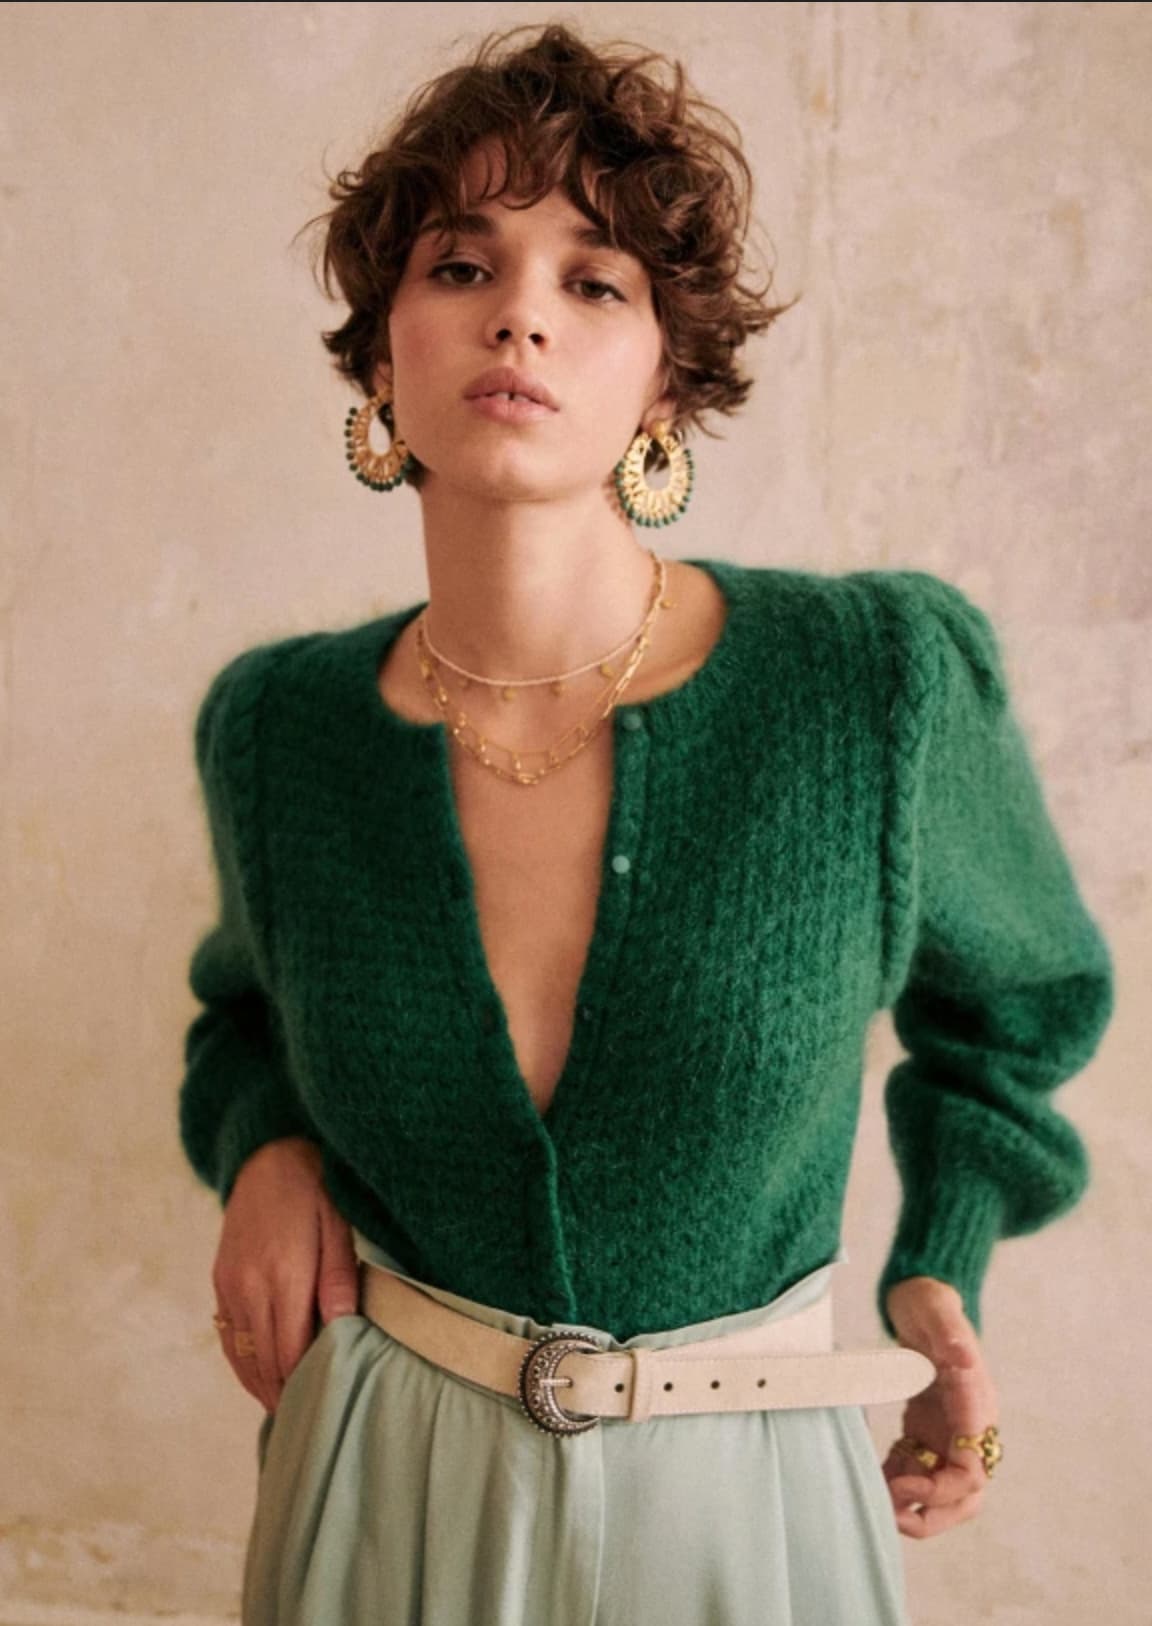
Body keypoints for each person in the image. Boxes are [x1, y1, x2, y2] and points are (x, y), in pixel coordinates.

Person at [179, 22, 1115, 1625]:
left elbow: (1020, 1011)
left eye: (594, 279)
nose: (521, 312)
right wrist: (263, 1140)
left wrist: (939, 1266)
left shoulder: (869, 686)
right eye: (460, 265)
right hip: (377, 1492)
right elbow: (247, 1009)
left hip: (749, 1506)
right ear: (383, 357)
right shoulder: (283, 730)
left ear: (666, 374)